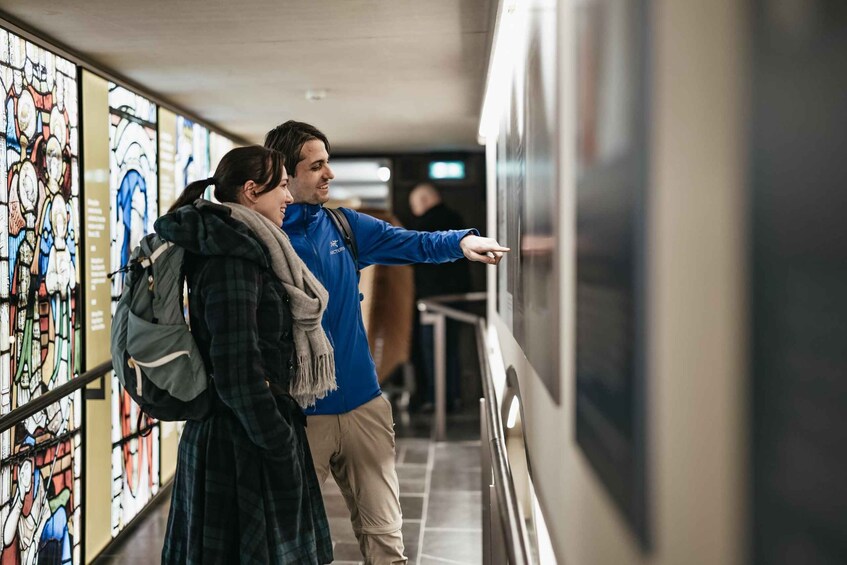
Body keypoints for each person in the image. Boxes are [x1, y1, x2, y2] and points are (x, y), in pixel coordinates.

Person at [264, 121, 509, 564]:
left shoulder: (342, 226)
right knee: (289, 543)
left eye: (328, 163)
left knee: (386, 540)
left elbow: (413, 244)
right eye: (316, 166)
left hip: (363, 406)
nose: (329, 174)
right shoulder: (261, 240)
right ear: (285, 173)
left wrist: (463, 240)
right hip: (298, 416)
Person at [159, 145, 335, 564]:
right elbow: (237, 369)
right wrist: (277, 443)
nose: (289, 198)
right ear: (252, 191)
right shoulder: (231, 258)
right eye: (281, 188)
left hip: (241, 433)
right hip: (239, 443)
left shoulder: (245, 247)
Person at [407, 183, 471, 412]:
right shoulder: (456, 219)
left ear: (424, 201)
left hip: (432, 300)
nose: (414, 211)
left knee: (433, 351)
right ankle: (452, 397)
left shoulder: (425, 227)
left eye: (414, 205)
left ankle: (437, 399)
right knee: (450, 350)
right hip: (457, 298)